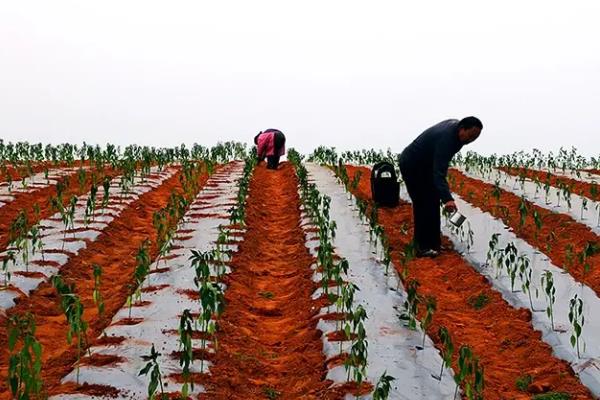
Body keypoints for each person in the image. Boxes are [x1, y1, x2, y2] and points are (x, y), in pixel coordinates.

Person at [398, 117, 482, 258]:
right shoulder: (448, 139)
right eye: (471, 135)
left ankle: (434, 244)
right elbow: (439, 171)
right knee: (422, 203)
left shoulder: (457, 134)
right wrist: (447, 198)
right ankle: (421, 247)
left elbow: (437, 167)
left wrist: (443, 196)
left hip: (426, 166)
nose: (471, 140)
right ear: (462, 129)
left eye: (475, 138)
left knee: (433, 201)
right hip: (412, 165)